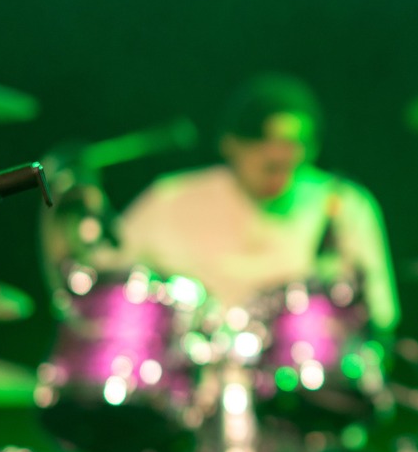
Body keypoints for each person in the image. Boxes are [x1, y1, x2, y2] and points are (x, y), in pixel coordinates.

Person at [111, 74, 398, 329]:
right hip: (188, 368)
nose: (281, 163)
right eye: (268, 160)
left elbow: (380, 314)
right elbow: (106, 277)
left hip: (302, 371)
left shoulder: (344, 204)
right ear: (230, 143)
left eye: (293, 153)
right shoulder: (170, 198)